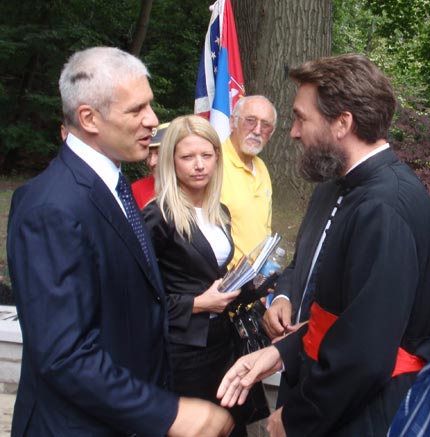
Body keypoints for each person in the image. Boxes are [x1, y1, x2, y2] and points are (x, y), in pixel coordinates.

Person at [217, 53, 430, 436]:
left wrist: (294, 420)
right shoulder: (339, 186)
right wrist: (280, 353)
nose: (292, 131)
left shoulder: (384, 208)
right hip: (325, 389)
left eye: (301, 118)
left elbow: (365, 354)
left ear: (342, 123)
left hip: (362, 412)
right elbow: (337, 313)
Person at [7, 47, 233, 437]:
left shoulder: (112, 184)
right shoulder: (51, 206)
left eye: (150, 105)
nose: (152, 120)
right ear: (89, 118)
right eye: (136, 110)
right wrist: (169, 413)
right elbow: (64, 354)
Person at [142, 114, 259, 435]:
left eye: (207, 156)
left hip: (223, 343)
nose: (199, 165)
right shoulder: (156, 217)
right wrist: (196, 303)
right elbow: (136, 298)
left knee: (229, 427)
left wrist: (256, 280)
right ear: (170, 161)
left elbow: (213, 276)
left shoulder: (218, 211)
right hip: (182, 350)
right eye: (188, 157)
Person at [221, 95, 277, 267]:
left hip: (255, 280)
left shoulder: (261, 168)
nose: (257, 130)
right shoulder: (213, 164)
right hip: (223, 283)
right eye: (250, 121)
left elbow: (264, 227)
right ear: (233, 122)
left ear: (272, 132)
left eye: (265, 125)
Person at [131, 121, 169, 209]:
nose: (152, 162)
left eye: (159, 154)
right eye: (149, 155)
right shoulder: (137, 189)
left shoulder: (197, 187)